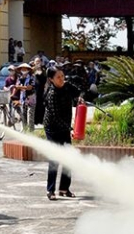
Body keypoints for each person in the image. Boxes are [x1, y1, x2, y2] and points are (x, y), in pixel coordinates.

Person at [43, 67, 83, 201]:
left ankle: (64, 189)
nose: (61, 79)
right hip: (53, 129)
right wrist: (70, 129)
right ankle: (50, 190)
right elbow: (55, 117)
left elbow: (78, 91)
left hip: (65, 126)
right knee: (55, 159)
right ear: (51, 79)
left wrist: (79, 97)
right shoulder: (52, 94)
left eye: (62, 76)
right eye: (58, 77)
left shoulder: (66, 86)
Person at [13, 62, 34, 128]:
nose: (23, 70)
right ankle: (25, 130)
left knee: (30, 115)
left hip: (30, 97)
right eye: (22, 69)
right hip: (23, 98)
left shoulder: (32, 78)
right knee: (23, 114)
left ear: (28, 70)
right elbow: (16, 86)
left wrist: (20, 87)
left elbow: (29, 87)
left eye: (25, 69)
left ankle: (31, 131)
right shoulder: (20, 78)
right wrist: (13, 93)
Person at [32, 59, 47, 126]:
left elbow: (45, 80)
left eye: (39, 61)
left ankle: (40, 121)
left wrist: (40, 73)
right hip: (33, 90)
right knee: (34, 106)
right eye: (36, 61)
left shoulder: (43, 70)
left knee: (41, 105)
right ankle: (34, 121)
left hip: (41, 90)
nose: (38, 63)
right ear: (34, 63)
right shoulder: (32, 70)